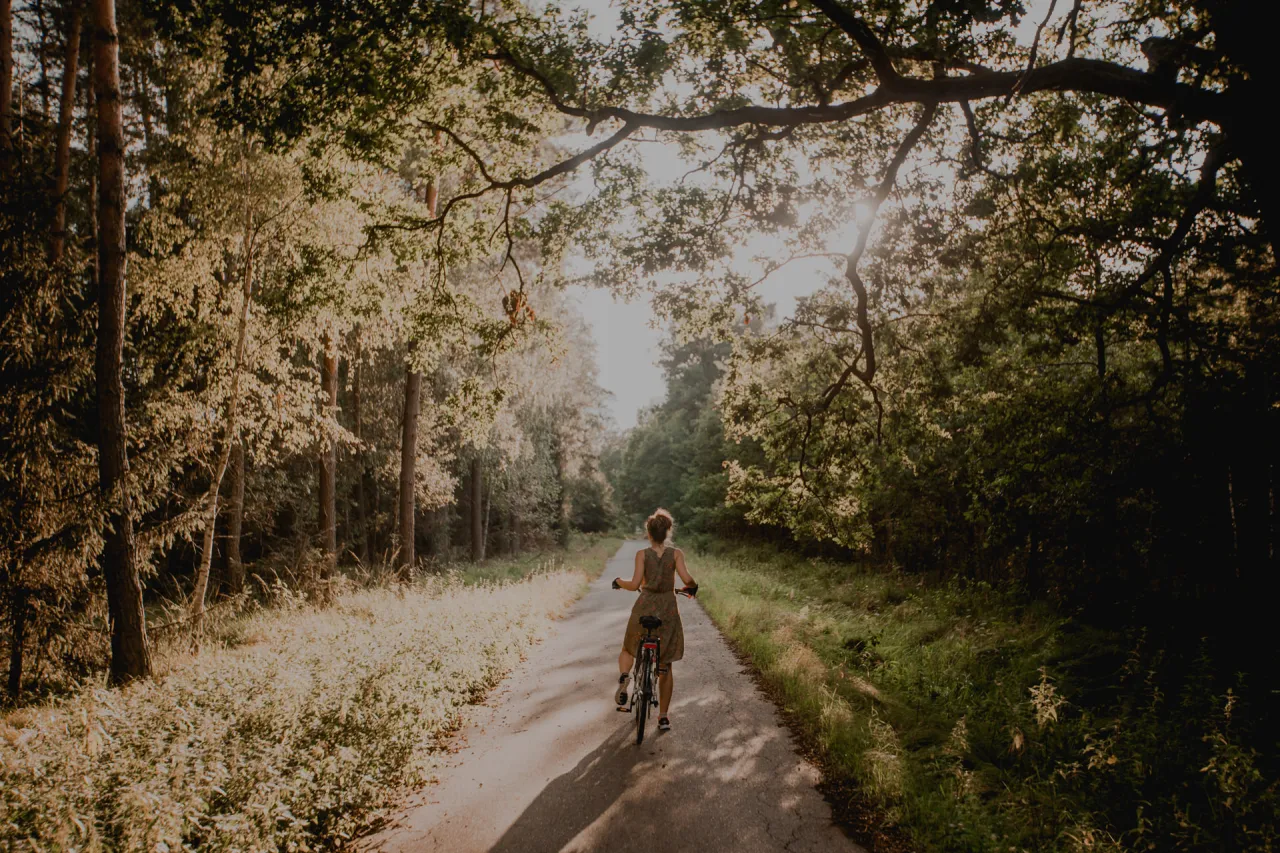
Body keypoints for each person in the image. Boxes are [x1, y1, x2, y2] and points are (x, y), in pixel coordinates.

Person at [611, 508, 697, 732]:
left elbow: (634, 584)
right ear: (668, 532)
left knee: (629, 647)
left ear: (648, 533)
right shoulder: (676, 554)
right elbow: (687, 579)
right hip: (668, 610)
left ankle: (624, 676)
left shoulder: (642, 554)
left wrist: (618, 581)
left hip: (645, 606)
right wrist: (692, 587)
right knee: (665, 664)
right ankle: (664, 717)